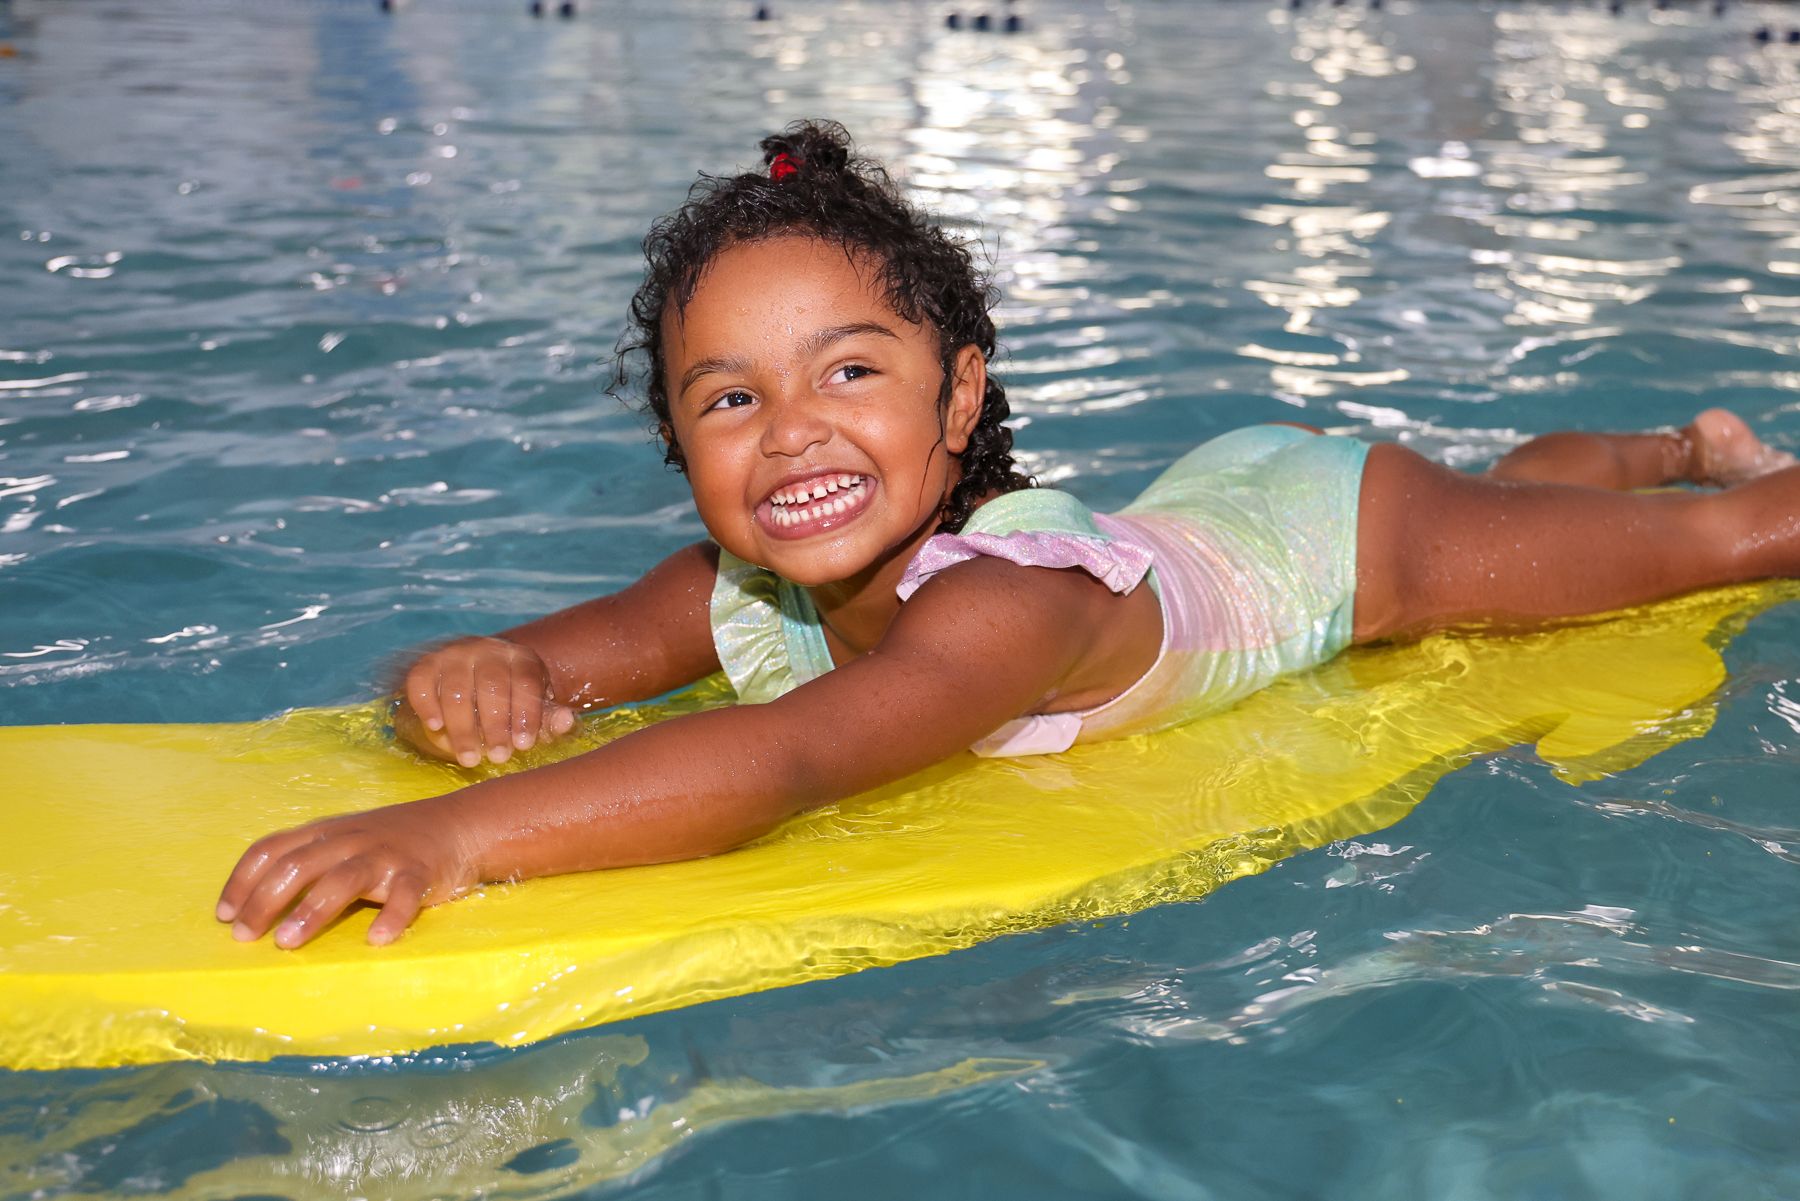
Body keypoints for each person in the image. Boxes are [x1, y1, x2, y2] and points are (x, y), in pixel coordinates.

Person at [216, 121, 1800, 950]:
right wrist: (467, 679)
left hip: (1348, 535)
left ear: (958, 396)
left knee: (1718, 545)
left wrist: (452, 839)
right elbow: (536, 661)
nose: (793, 434)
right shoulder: (738, 586)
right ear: (677, 446)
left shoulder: (1009, 610)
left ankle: (1705, 473)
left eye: (852, 373)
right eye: (728, 400)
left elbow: (783, 762)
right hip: (1217, 492)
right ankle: (1662, 443)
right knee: (1535, 501)